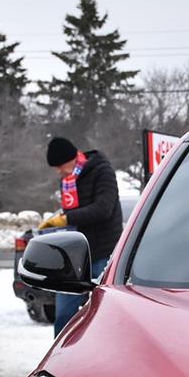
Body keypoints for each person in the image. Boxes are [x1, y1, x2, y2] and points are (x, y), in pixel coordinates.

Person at [41, 137, 123, 335]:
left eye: (60, 165)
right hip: (75, 255)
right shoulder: (68, 180)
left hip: (103, 252)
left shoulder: (102, 171)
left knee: (103, 312)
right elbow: (72, 210)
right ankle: (59, 357)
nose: (58, 171)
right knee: (64, 313)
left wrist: (66, 219)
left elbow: (103, 209)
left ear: (71, 158)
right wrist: (58, 220)